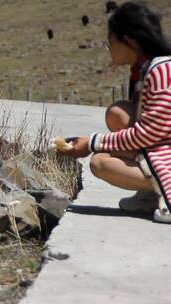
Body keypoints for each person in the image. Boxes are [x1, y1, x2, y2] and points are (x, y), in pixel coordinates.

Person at [61, 2, 171, 223]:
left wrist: (92, 143)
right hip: (162, 144)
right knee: (117, 113)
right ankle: (150, 194)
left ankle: (163, 190)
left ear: (128, 41)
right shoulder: (143, 70)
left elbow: (149, 133)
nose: (108, 47)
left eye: (110, 41)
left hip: (162, 145)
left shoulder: (161, 71)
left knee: (99, 162)